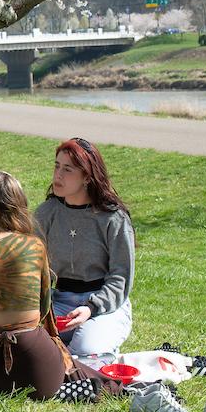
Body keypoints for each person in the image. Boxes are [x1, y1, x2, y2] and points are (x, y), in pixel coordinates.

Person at [0, 171, 120, 400]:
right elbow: (44, 312)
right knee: (93, 378)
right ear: (19, 206)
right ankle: (116, 387)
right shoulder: (33, 246)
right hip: (39, 372)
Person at [35, 137, 135, 364]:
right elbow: (31, 267)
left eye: (67, 169)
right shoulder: (46, 213)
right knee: (29, 340)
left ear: (87, 177)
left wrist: (91, 308)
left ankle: (99, 349)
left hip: (103, 305)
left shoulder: (113, 218)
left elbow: (121, 277)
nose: (58, 175)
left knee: (84, 348)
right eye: (57, 166)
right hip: (58, 302)